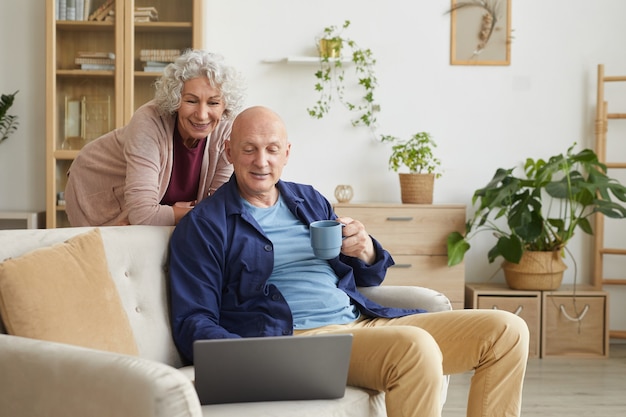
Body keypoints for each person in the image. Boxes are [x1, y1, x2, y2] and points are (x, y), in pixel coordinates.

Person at [168, 106, 529, 417]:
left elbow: (370, 274)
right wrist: (255, 358)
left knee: (506, 332)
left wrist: (365, 248)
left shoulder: (309, 200)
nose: (261, 161)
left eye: (272, 149)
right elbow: (193, 321)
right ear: (229, 151)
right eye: (249, 149)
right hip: (299, 342)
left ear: (287, 153)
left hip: (364, 325)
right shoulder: (205, 225)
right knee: (414, 347)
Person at [64, 49, 246, 226]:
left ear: (225, 106)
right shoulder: (149, 120)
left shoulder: (227, 131)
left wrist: (172, 212)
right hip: (97, 187)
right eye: (191, 100)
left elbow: (220, 209)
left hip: (150, 203)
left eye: (213, 103)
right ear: (176, 100)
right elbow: (142, 215)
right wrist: (175, 211)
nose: (202, 114)